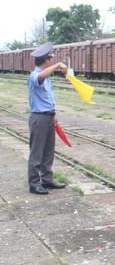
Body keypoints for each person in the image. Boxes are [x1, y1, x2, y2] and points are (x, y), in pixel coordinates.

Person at [27, 42, 68, 195]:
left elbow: (48, 98)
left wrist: (54, 114)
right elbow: (41, 76)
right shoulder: (35, 76)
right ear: (46, 60)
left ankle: (47, 179)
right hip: (39, 119)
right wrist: (57, 66)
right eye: (51, 58)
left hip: (49, 118)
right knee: (37, 152)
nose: (52, 60)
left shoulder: (47, 78)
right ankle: (34, 183)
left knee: (48, 152)